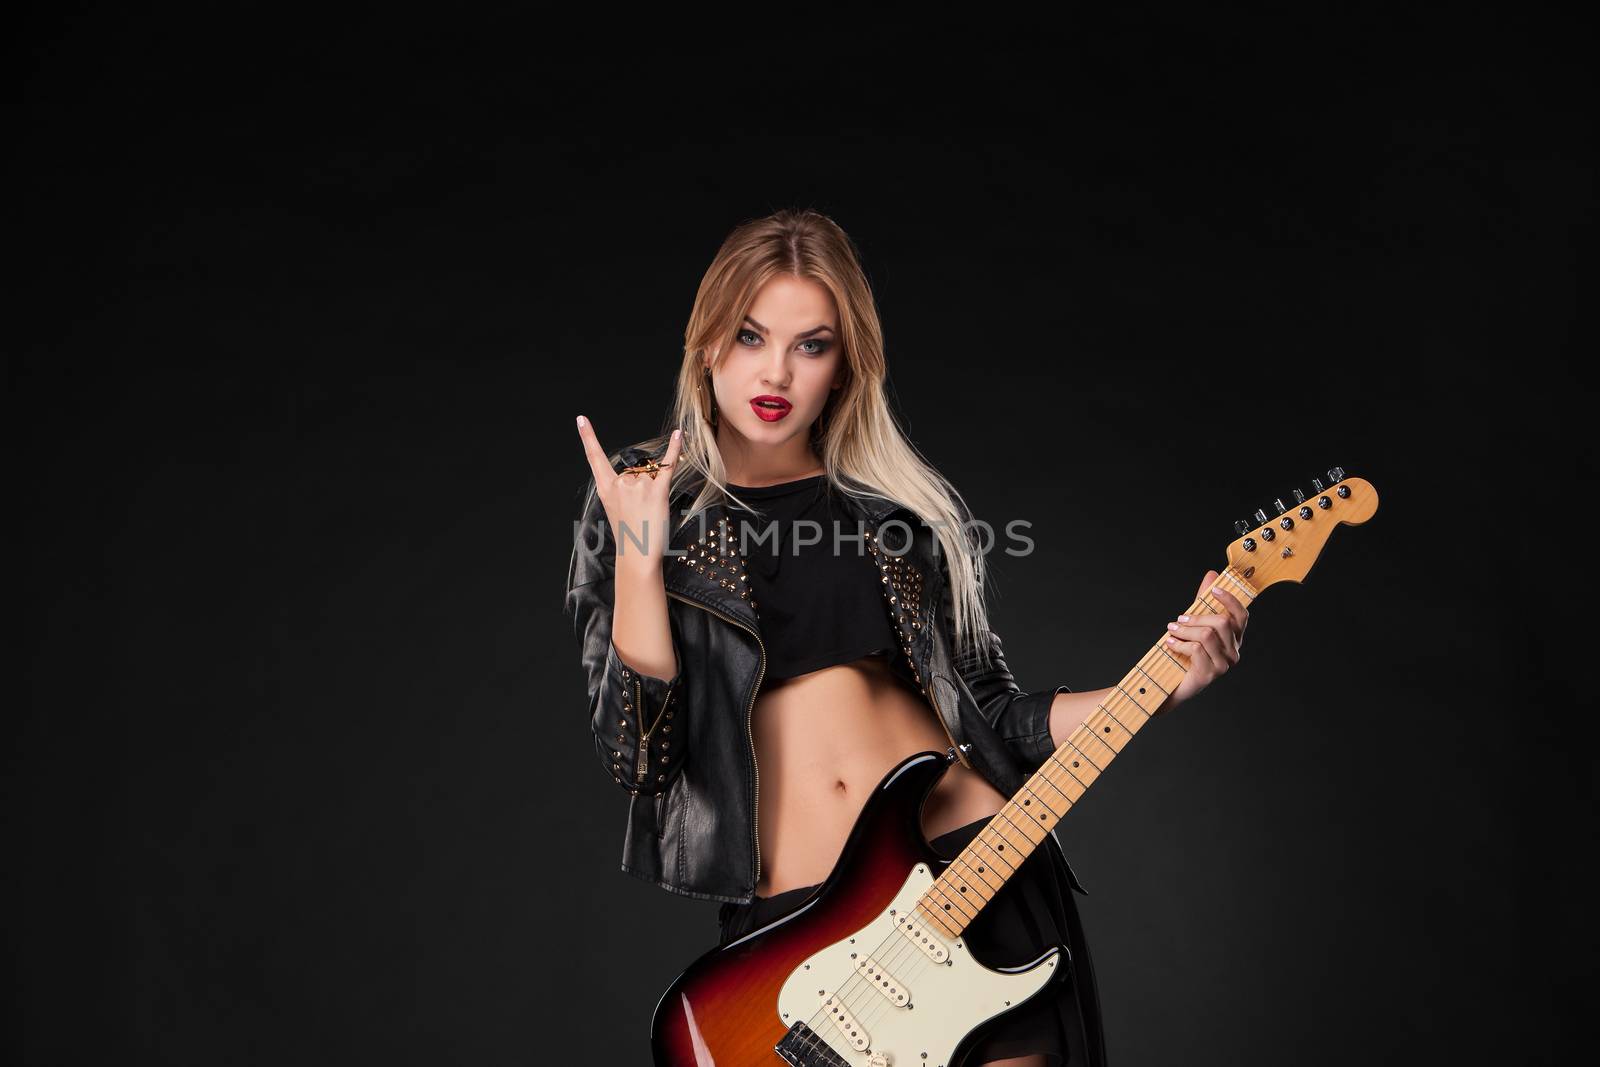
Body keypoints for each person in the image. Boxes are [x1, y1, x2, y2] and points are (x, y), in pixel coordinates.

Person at [565, 209, 1248, 1067]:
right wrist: (636, 562)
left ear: (845, 364)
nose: (775, 370)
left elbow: (996, 714)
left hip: (973, 870)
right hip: (803, 932)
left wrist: (1162, 684)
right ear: (707, 343)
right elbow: (639, 760)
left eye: (811, 344)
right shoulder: (640, 503)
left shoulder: (900, 517)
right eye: (750, 335)